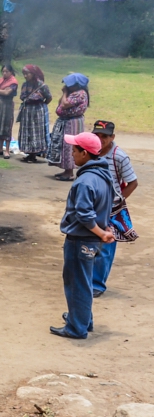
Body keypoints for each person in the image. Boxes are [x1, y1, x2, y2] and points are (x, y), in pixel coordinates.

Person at [50, 131, 115, 339]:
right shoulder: (104, 176)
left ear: (85, 154)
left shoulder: (85, 181)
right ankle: (83, 319)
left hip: (81, 239)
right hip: (92, 240)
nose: (72, 154)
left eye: (74, 150)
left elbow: (85, 215)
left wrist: (101, 232)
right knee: (84, 281)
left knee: (76, 282)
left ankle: (76, 328)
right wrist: (104, 230)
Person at [91, 120, 139, 297]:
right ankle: (87, 279)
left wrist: (118, 201)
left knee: (105, 248)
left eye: (105, 136)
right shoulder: (90, 152)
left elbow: (133, 182)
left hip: (110, 210)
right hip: (92, 206)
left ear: (113, 137)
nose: (100, 139)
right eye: (97, 135)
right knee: (88, 244)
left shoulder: (119, 156)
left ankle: (97, 284)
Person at [47, 73, 90, 181]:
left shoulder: (79, 93)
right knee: (64, 145)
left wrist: (65, 92)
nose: (67, 86)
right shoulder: (74, 93)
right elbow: (61, 103)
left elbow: (65, 104)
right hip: (68, 121)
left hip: (72, 122)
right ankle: (66, 170)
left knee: (69, 146)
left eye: (69, 85)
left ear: (77, 85)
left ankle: (69, 172)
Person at [16, 64, 52, 163]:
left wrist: (41, 106)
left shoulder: (42, 85)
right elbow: (22, 96)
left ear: (33, 73)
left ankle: (33, 155)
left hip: (37, 112)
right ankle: (28, 153)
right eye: (24, 74)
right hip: (27, 111)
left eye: (27, 73)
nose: (25, 76)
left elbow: (49, 97)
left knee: (36, 132)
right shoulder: (24, 85)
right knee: (27, 131)